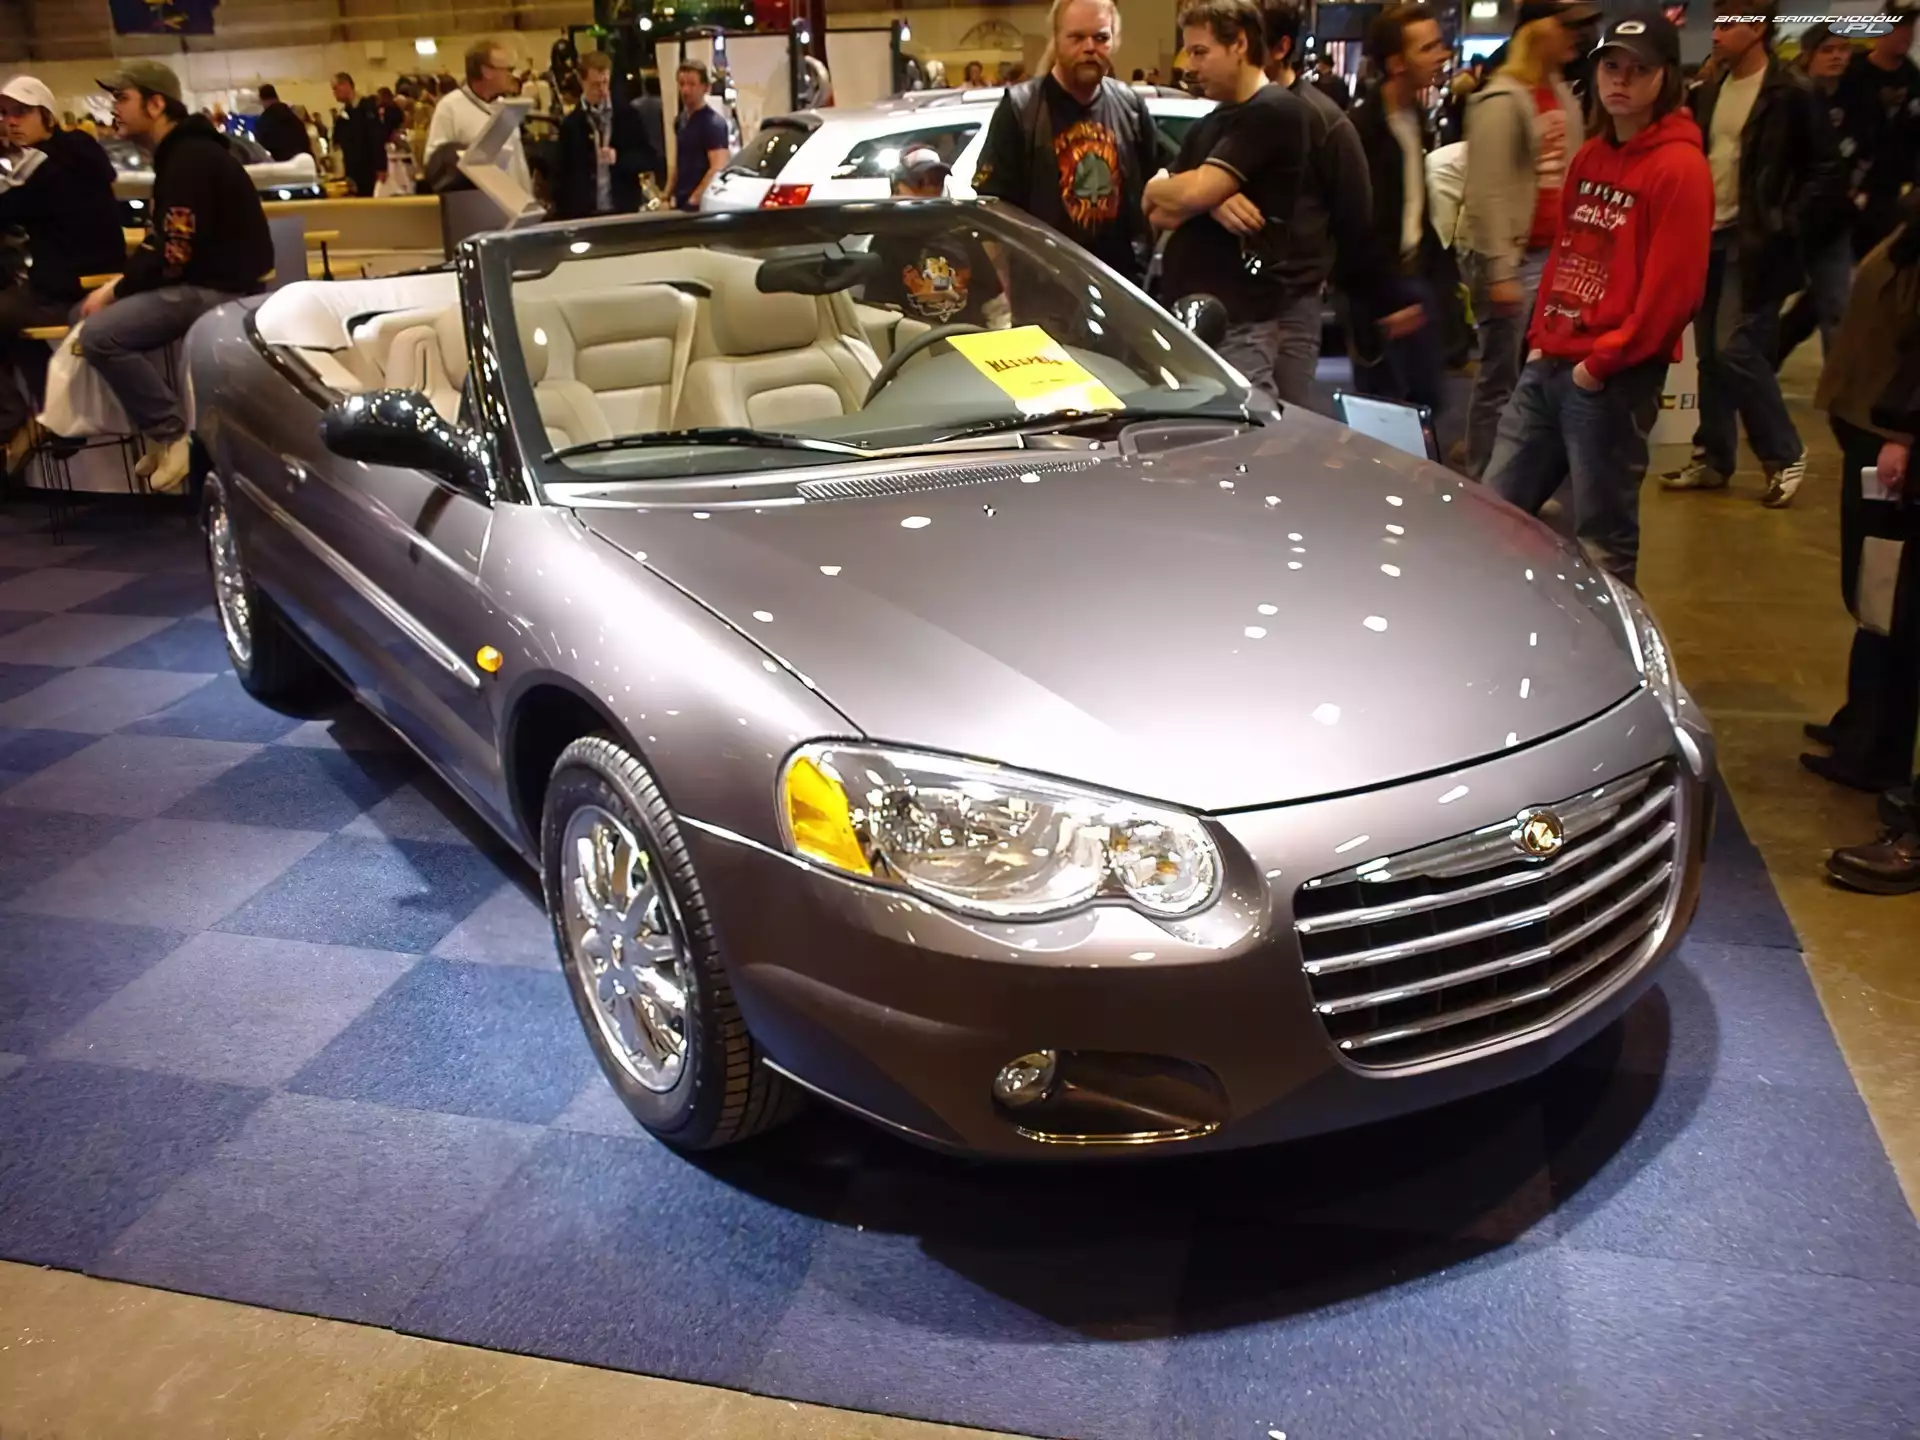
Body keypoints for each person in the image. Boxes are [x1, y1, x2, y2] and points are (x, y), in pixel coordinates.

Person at [1483, 11, 1712, 586]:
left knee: (1602, 544)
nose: (1621, 81)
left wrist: (1600, 364)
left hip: (1612, 378)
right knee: (1490, 516)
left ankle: (1609, 645)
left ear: (1665, 77)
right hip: (1551, 362)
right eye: (1611, 66)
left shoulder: (1680, 167)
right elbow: (1564, 251)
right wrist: (1541, 339)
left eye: (1638, 70)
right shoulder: (1590, 156)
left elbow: (1674, 295)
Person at [1660, 0, 1840, 508]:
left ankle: (1784, 452)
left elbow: (1826, 170)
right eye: (1716, 23)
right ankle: (1714, 458)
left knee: (1735, 348)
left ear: (1758, 28)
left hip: (1757, 241)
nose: (1716, 33)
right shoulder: (1712, 89)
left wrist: (1785, 222)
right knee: (1708, 356)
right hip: (1708, 234)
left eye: (1728, 24)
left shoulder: (1791, 92)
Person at [78, 60, 272, 494]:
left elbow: (174, 252)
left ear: (156, 104)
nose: (114, 109)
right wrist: (116, 288)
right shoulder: (181, 155)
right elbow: (165, 243)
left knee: (100, 335)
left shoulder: (189, 160)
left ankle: (172, 434)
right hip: (206, 281)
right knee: (91, 316)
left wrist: (116, 291)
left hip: (220, 289)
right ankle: (156, 430)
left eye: (123, 98)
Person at [1804, 192, 1920, 803]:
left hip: (1892, 438)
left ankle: (1876, 750)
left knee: (1884, 592)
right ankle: (1861, 721)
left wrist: (1906, 436)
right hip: (1870, 426)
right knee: (1868, 584)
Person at [1256, 0, 1424, 412]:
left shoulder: (1324, 119)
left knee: (1287, 419)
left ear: (1280, 48)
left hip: (1294, 299)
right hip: (1238, 301)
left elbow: (1355, 216)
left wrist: (1380, 298)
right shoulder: (1234, 113)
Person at [1144, 0, 1315, 402]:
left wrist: (1190, 193)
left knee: (1246, 426)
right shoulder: (1212, 121)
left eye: (1200, 52)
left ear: (1239, 44)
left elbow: (1190, 192)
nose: (1190, 66)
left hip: (1239, 322)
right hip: (1192, 321)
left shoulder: (1274, 110)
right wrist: (1203, 198)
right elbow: (1155, 210)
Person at [1459, 0, 1594, 479]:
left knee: (1534, 379)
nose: (1575, 36)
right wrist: (1501, 269)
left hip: (1551, 253)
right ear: (1537, 31)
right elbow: (1488, 189)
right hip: (1514, 257)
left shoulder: (1558, 93)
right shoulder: (1501, 99)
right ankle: (1483, 479)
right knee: (1501, 379)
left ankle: (1514, 481)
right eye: (1566, 26)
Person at [972, 0, 1163, 287]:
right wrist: (1008, 287)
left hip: (1122, 291)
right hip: (1046, 290)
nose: (1089, 47)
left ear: (1115, 40)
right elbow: (993, 210)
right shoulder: (1021, 109)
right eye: (1077, 37)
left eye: (1101, 37)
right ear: (1056, 39)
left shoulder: (1130, 106)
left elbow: (1155, 188)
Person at [0, 76, 125, 475]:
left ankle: (27, 418)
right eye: (5, 114)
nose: (11, 121)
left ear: (47, 116)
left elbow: (7, 209)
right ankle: (48, 410)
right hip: (95, 281)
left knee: (7, 312)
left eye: (21, 112)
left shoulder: (42, 164)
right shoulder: (78, 151)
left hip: (70, 290)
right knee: (11, 315)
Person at [1348, 3, 1455, 419]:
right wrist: (1388, 300)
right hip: (1381, 293)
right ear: (1396, 63)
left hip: (1416, 280)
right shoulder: (1362, 129)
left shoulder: (1415, 118)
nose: (1441, 56)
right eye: (1427, 48)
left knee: (1426, 406)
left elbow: (1414, 207)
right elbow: (1356, 225)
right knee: (1387, 413)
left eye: (1439, 44)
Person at [1774, 23, 1858, 369]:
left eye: (1843, 49)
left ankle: (1839, 386)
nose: (1837, 57)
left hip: (1833, 223)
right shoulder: (1789, 96)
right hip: (1788, 219)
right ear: (1808, 55)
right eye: (1828, 50)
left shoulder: (1857, 97)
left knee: (1838, 308)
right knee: (1761, 311)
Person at [866, 146, 1007, 328]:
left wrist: (1001, 335)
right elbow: (879, 316)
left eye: (937, 181)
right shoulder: (886, 241)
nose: (931, 188)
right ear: (898, 187)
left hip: (970, 338)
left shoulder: (961, 234)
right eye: (920, 181)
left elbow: (995, 304)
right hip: (918, 341)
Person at [1836, 2, 1920, 258]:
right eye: (1897, 27)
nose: (1905, 34)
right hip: (1848, 188)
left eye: (1910, 27)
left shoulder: (1913, 78)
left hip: (1893, 193)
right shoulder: (1851, 72)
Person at [425, 41, 531, 195]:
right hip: (473, 200)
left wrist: (528, 198)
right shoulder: (450, 107)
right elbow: (433, 162)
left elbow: (518, 163)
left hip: (512, 199)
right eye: (508, 69)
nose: (512, 75)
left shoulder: (505, 107)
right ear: (486, 71)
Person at [554, 51, 651, 219]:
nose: (602, 90)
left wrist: (619, 158)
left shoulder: (628, 115)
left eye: (605, 83)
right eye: (595, 85)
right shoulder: (571, 124)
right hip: (584, 213)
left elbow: (648, 157)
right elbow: (562, 174)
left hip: (622, 209)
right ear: (581, 81)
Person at [671, 61, 730, 211]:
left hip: (701, 206)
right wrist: (667, 194)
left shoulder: (713, 123)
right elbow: (679, 162)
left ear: (705, 87)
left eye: (692, 84)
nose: (685, 90)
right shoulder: (681, 120)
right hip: (682, 201)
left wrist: (694, 200)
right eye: (682, 84)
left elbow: (718, 166)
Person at [330, 73, 385, 196]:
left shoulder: (367, 107)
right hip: (351, 168)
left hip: (367, 166)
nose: (334, 93)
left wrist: (381, 166)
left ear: (345, 85)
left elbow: (376, 137)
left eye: (335, 89)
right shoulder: (344, 113)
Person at [252, 83, 310, 162]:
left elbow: (262, 150)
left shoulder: (262, 122)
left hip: (281, 165)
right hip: (303, 162)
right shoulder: (294, 117)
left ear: (262, 100)